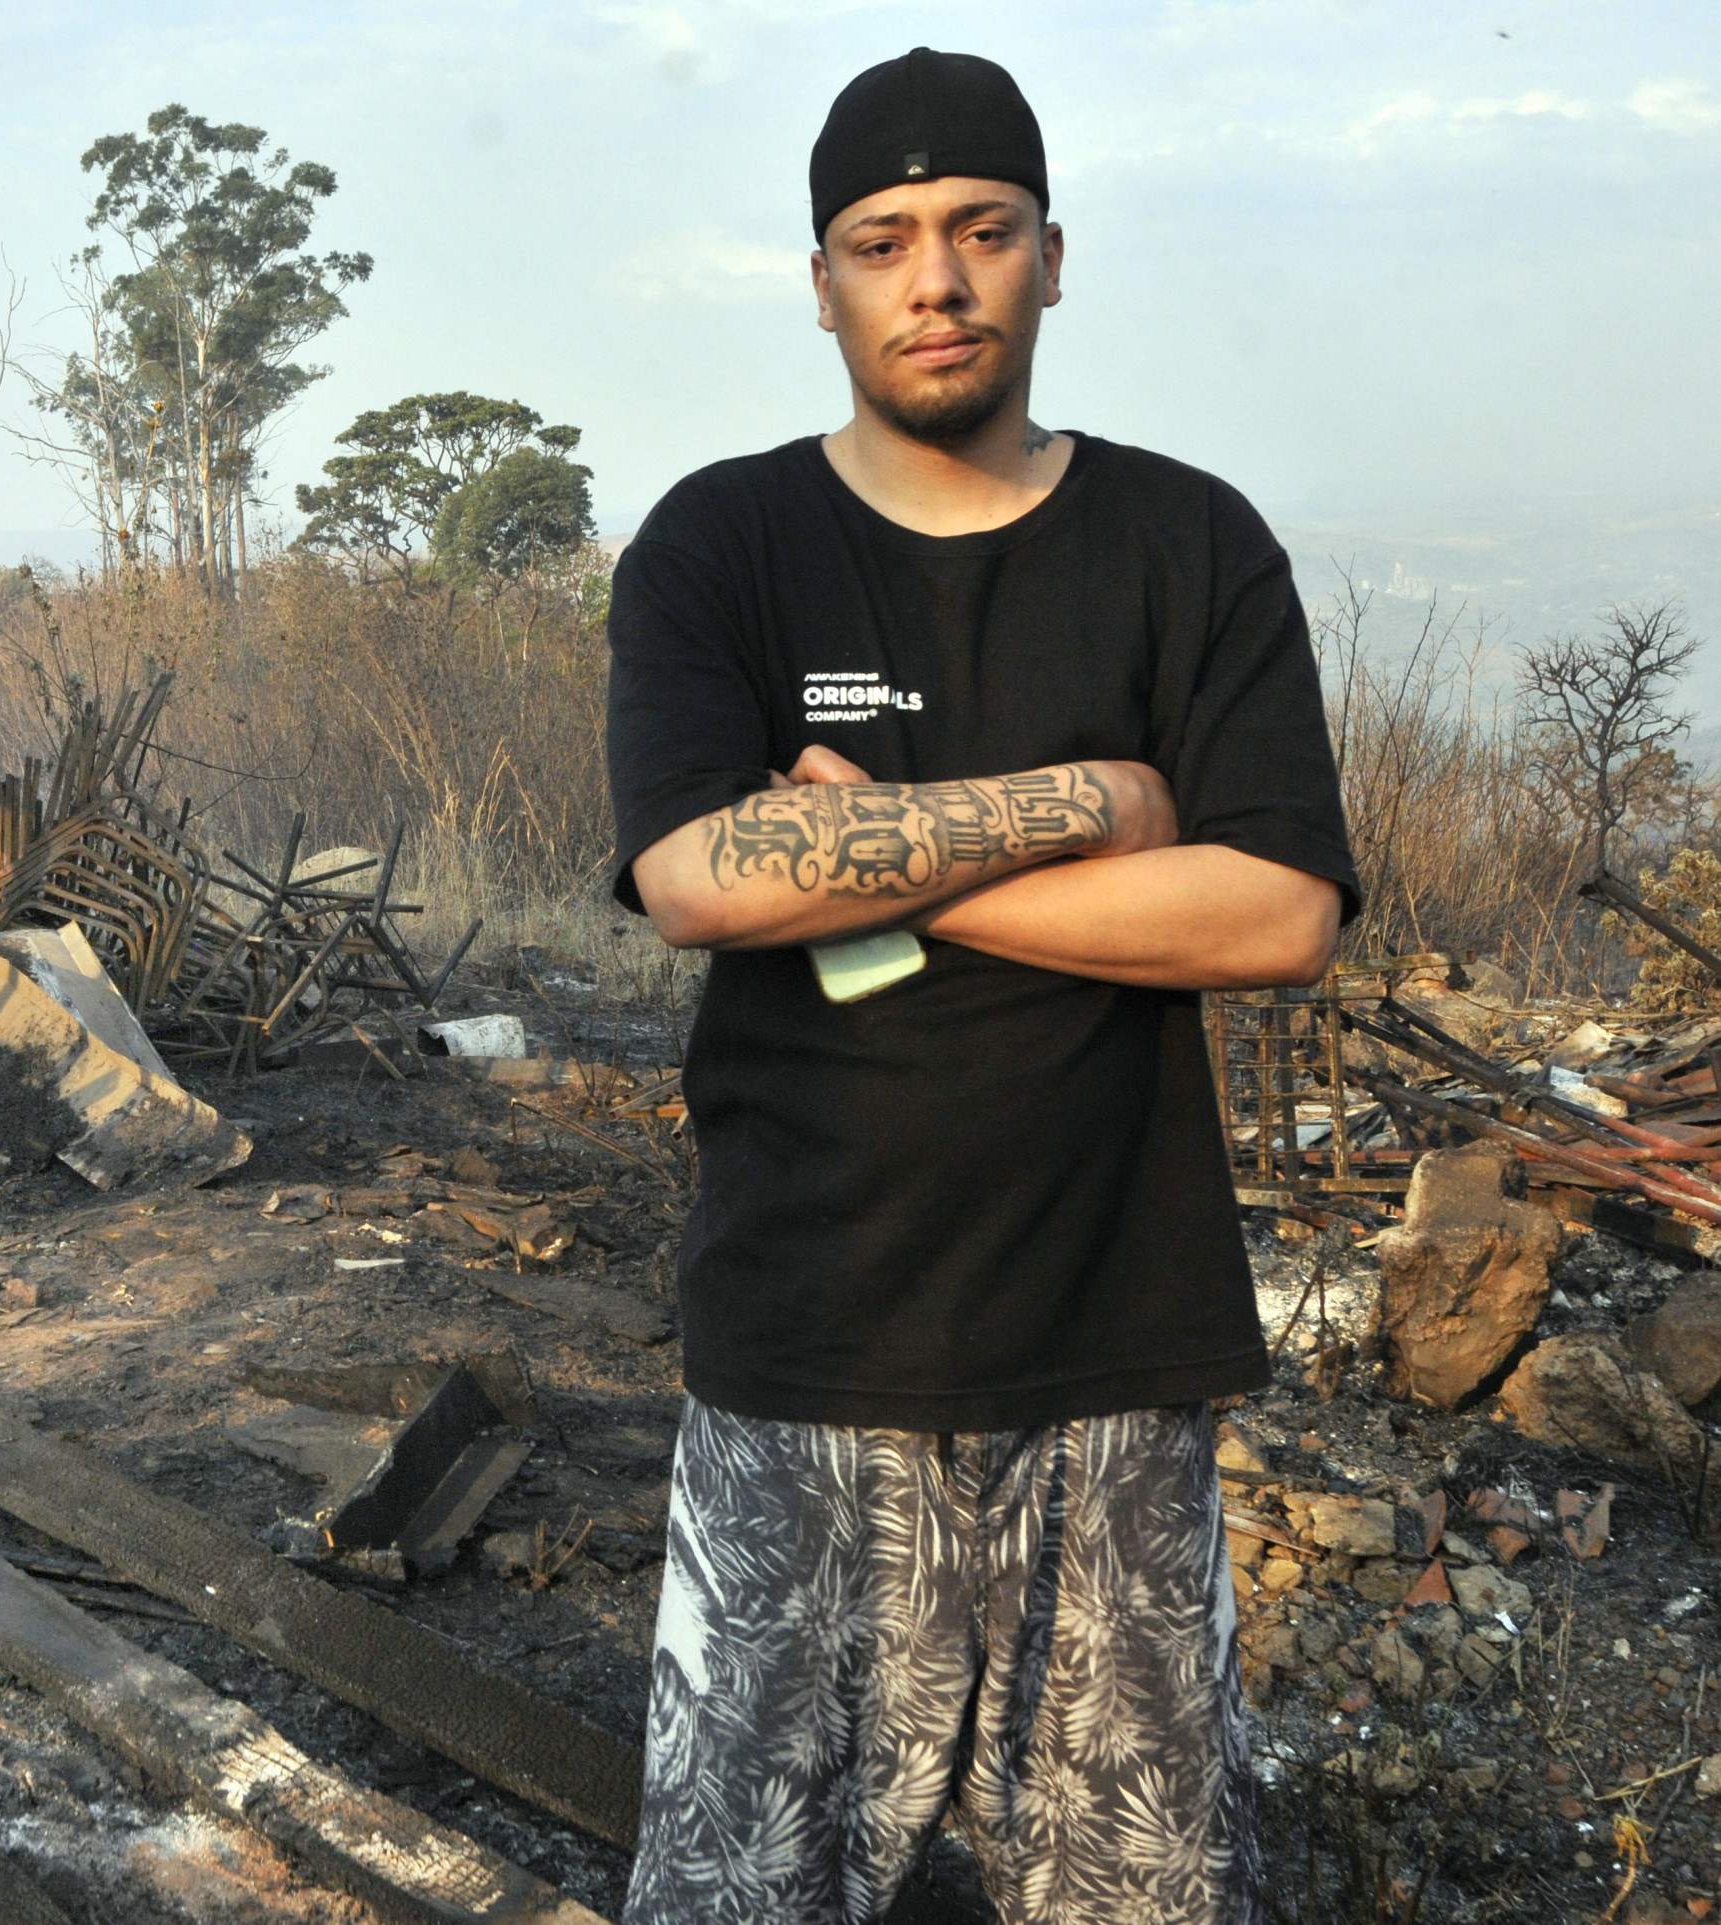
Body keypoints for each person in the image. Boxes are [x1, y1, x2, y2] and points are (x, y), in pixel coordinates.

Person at [604, 46, 1360, 1925]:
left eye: (979, 231)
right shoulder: (724, 543)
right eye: (883, 240)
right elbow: (702, 874)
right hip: (802, 1353)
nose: (934, 279)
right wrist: (1093, 807)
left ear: (1048, 256)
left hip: (1116, 1351)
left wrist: (880, 874)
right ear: (823, 278)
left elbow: (1275, 912)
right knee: (742, 1894)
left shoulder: (1189, 543)